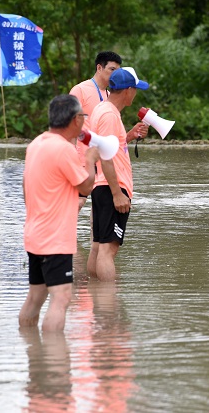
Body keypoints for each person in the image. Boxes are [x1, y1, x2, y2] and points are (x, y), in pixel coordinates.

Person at [19, 94, 99, 331]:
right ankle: (54, 364)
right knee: (61, 297)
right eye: (83, 117)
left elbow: (25, 190)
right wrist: (90, 159)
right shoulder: (64, 149)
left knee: (35, 297)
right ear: (76, 120)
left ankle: (33, 353)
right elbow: (85, 186)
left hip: (35, 234)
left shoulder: (36, 143)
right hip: (55, 239)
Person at [87, 67, 149, 281]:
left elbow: (111, 148)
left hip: (101, 186)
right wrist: (117, 193)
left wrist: (129, 136)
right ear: (128, 90)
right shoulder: (109, 115)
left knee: (97, 247)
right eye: (135, 89)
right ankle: (108, 307)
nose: (136, 94)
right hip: (111, 187)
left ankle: (97, 300)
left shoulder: (103, 110)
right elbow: (105, 157)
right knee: (108, 250)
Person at [70, 51, 122, 209]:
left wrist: (131, 134)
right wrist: (71, 158)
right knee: (77, 203)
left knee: (100, 209)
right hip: (82, 160)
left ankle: (96, 235)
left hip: (103, 162)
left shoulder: (110, 95)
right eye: (112, 69)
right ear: (99, 67)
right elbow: (69, 126)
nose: (115, 74)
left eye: (118, 71)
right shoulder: (80, 90)